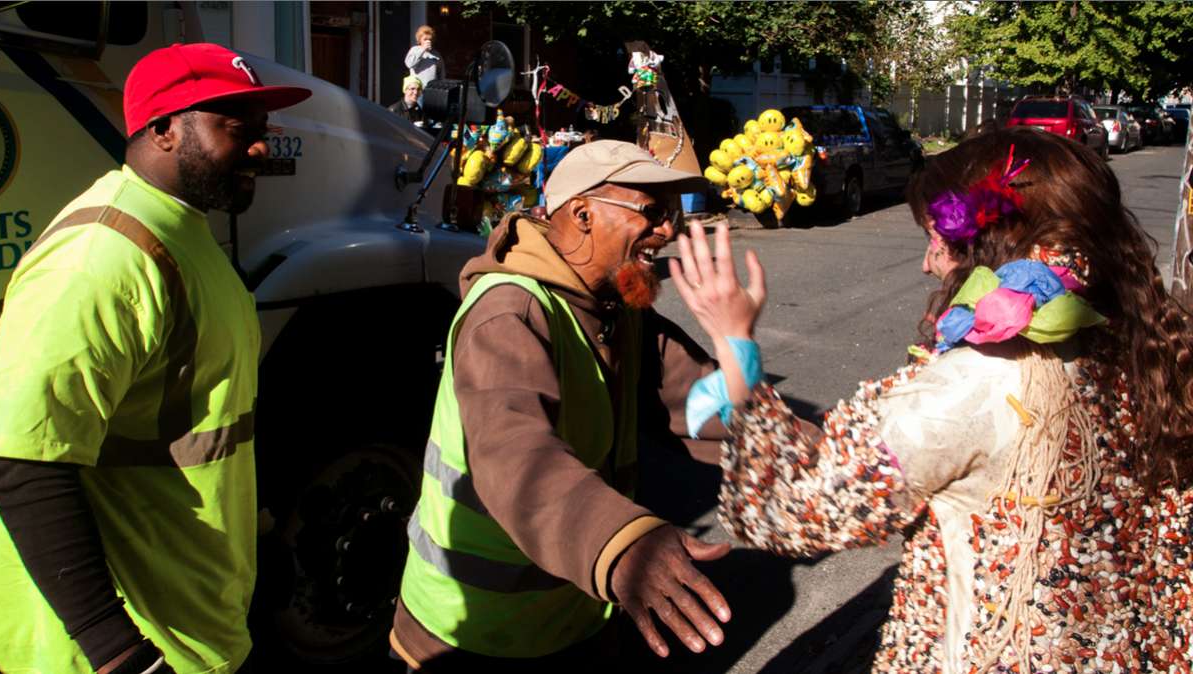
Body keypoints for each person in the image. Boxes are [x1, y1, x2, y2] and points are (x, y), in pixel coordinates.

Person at [670, 126, 1193, 673]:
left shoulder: (973, 384)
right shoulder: (1149, 345)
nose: (926, 265)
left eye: (935, 242)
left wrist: (736, 349)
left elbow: (784, 512)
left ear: (986, 246)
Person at [0, 43, 310, 674]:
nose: (260, 147)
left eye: (262, 131)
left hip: (195, 619)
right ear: (163, 130)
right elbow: (22, 464)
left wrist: (260, 535)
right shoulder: (100, 258)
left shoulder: (182, 230)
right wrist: (116, 651)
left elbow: (212, 420)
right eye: (234, 127)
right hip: (115, 650)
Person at [390, 140, 733, 671]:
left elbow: (699, 401)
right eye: (652, 212)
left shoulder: (614, 310)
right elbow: (515, 454)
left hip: (571, 618)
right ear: (582, 214)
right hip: (469, 635)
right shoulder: (509, 311)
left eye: (672, 215)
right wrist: (622, 545)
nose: (669, 230)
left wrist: (829, 447)